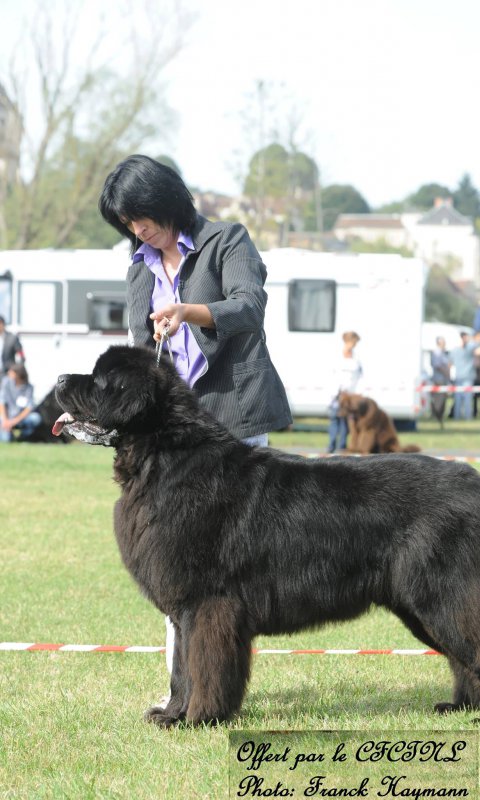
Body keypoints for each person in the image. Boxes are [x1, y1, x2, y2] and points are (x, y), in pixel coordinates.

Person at [99, 153, 293, 698]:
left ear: (167, 202)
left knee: (232, 569)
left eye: (142, 216)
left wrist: (190, 311)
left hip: (233, 420)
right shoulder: (139, 264)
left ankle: (215, 684)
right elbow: (142, 349)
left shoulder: (226, 240)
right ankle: (182, 689)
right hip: (173, 439)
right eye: (126, 222)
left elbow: (249, 306)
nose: (137, 229)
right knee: (173, 566)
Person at [327, 331, 362, 453]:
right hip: (336, 395)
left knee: (346, 423)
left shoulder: (356, 359)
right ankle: (331, 446)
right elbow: (332, 375)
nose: (354, 346)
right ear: (347, 342)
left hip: (349, 396)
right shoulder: (337, 357)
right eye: (353, 343)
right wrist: (333, 393)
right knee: (334, 420)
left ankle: (342, 447)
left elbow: (359, 377)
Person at [0, 364, 42, 442]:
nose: (8, 372)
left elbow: (28, 408)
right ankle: (10, 435)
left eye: (11, 371)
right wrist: (6, 420)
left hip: (20, 418)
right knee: (6, 440)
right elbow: (2, 402)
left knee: (36, 418)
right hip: (5, 416)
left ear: (18, 374)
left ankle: (22, 437)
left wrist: (13, 422)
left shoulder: (29, 388)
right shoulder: (6, 382)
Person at [450, 331, 476, 420]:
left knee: (466, 399)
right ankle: (459, 417)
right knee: (460, 399)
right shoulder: (456, 349)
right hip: (461, 377)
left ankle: (466, 417)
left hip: (465, 377)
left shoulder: (468, 348)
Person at [429, 336, 451, 427]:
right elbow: (438, 366)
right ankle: (436, 416)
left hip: (443, 380)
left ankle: (439, 416)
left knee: (442, 400)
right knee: (439, 400)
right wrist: (446, 372)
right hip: (438, 380)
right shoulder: (437, 353)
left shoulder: (442, 353)